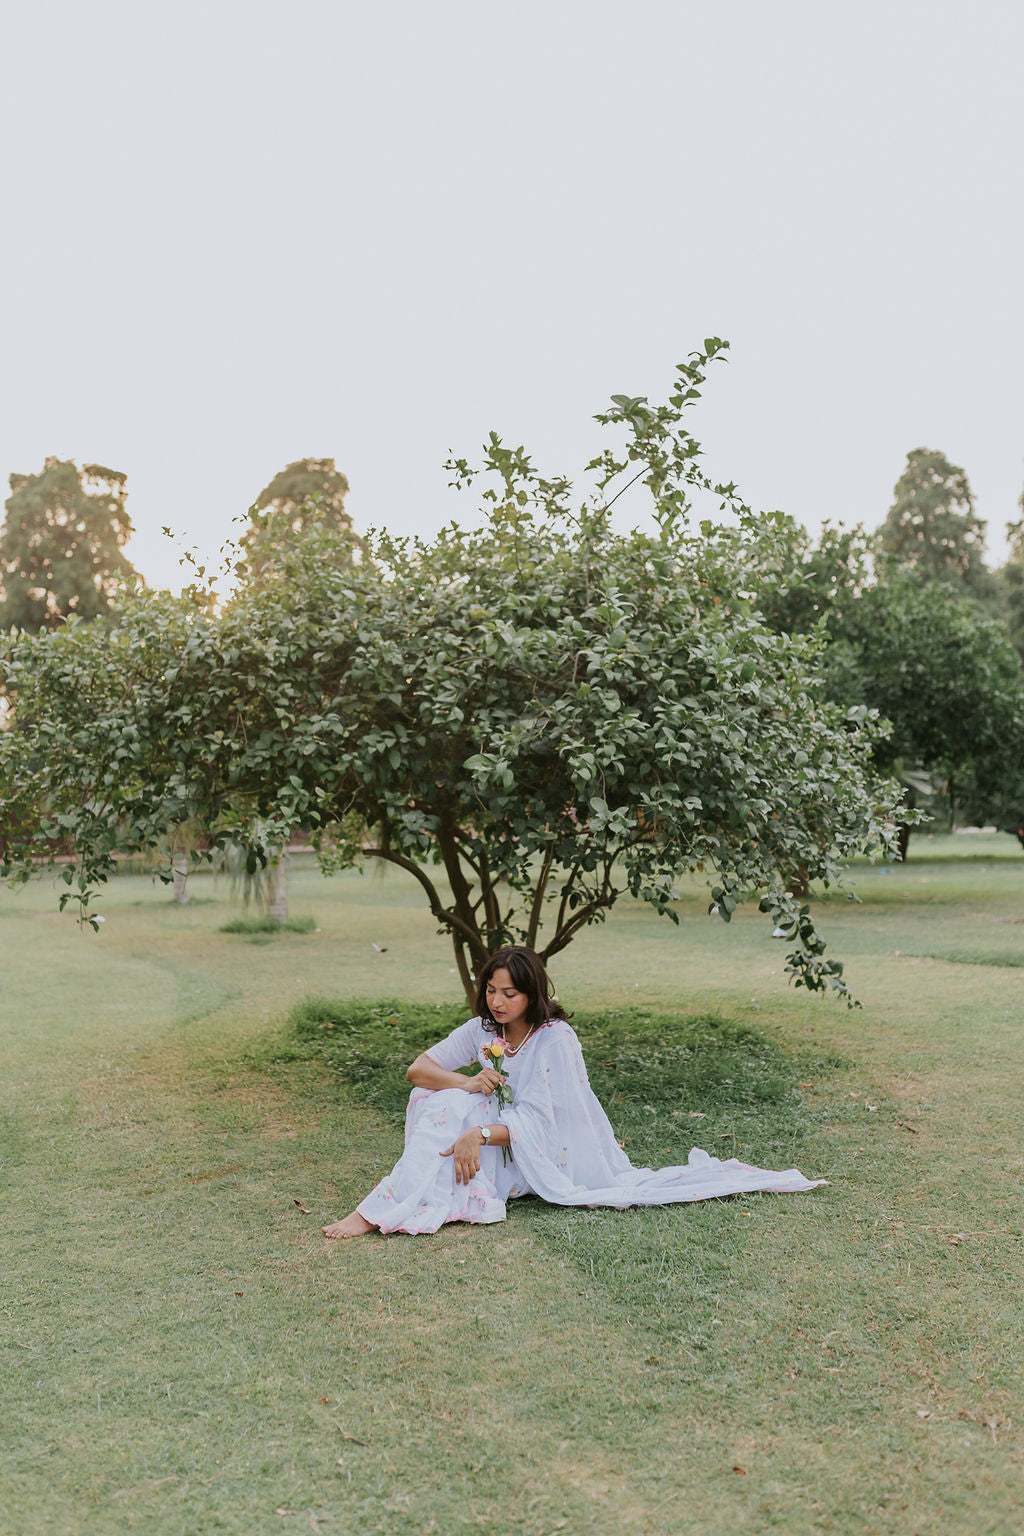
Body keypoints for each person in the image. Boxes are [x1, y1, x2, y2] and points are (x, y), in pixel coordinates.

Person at [322, 945, 824, 1239]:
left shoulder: (554, 1040)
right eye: (491, 990)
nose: (497, 1002)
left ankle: (380, 1210)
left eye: (510, 994)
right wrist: (469, 1081)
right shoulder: (482, 1029)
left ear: (532, 994)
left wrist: (479, 1132)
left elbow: (545, 1125)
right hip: (490, 1136)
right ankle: (397, 1204)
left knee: (454, 1113)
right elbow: (418, 1070)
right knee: (444, 1100)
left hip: (535, 1152)